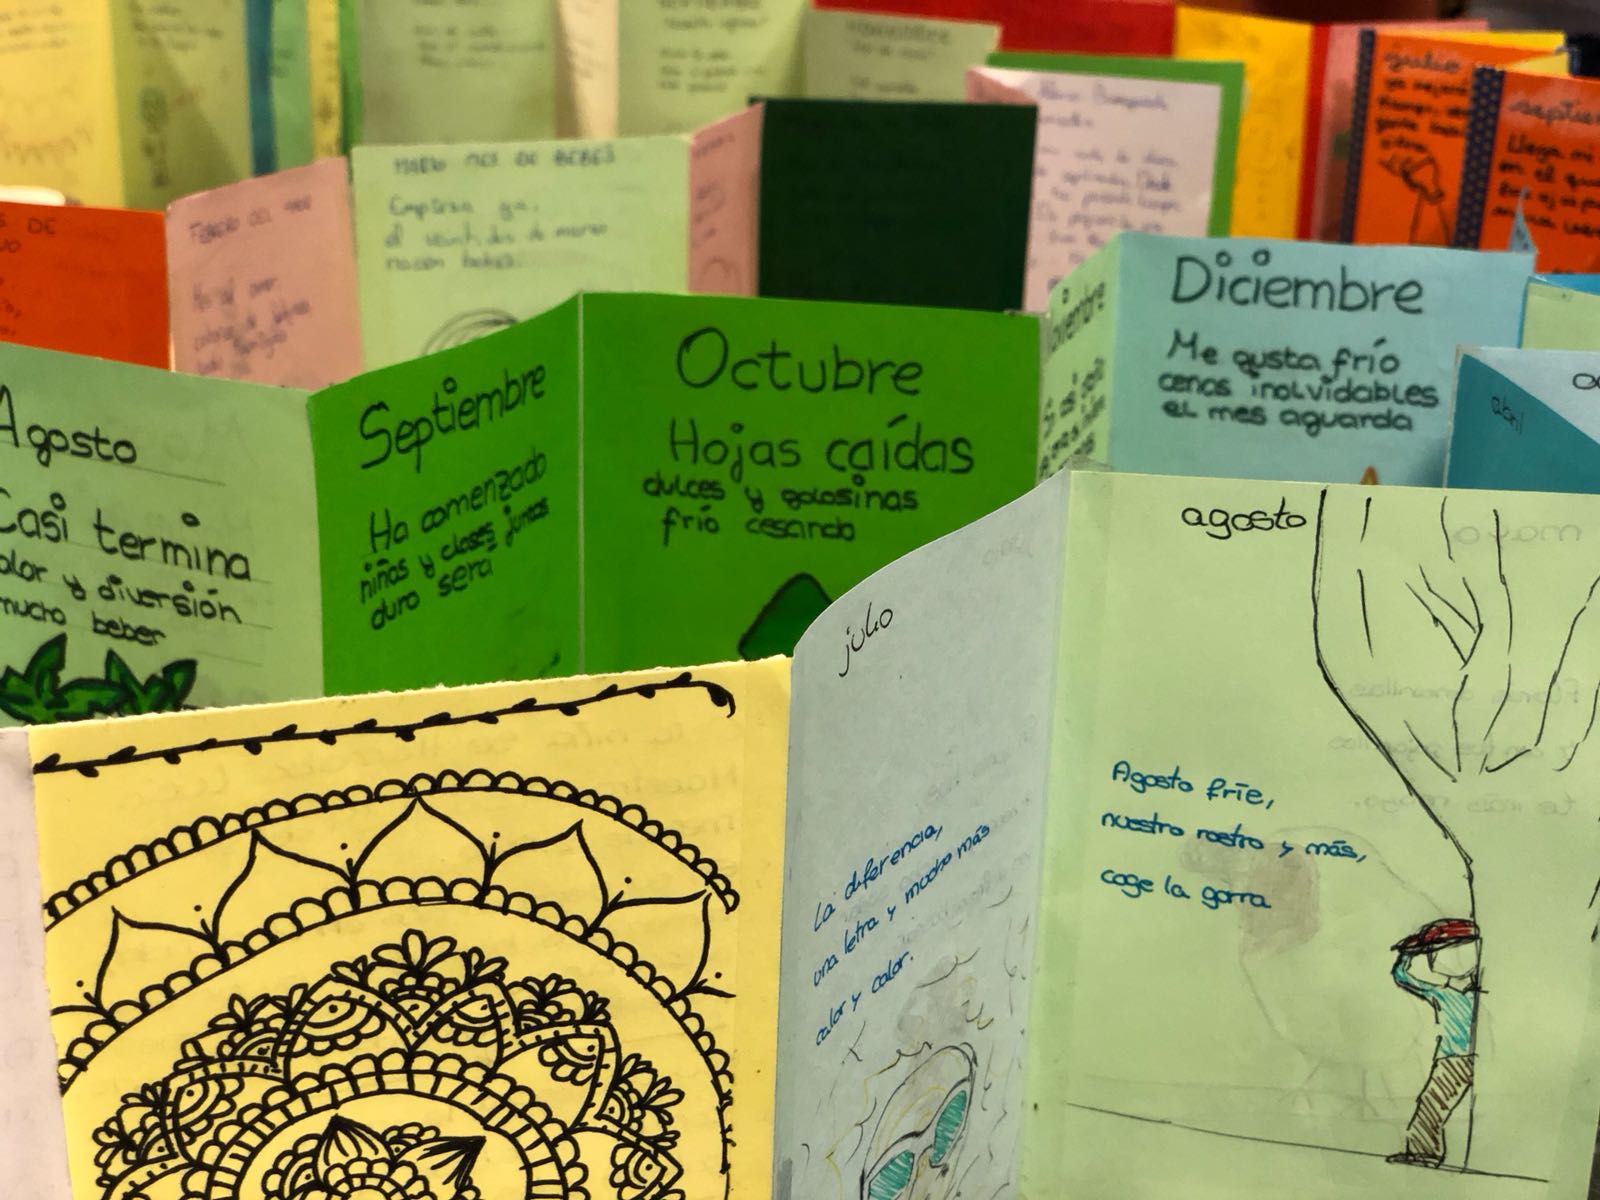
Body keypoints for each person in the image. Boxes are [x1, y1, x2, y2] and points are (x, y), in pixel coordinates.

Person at [1388, 917, 1481, 1168]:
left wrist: (1409, 953)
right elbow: (1402, 977)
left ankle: (1425, 1153)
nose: (1435, 956)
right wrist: (1407, 954)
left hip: (1456, 1060)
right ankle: (1424, 1152)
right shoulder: (1442, 993)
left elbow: (1403, 977)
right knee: (1431, 1104)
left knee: (1431, 1105)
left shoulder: (1477, 994)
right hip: (1453, 1059)